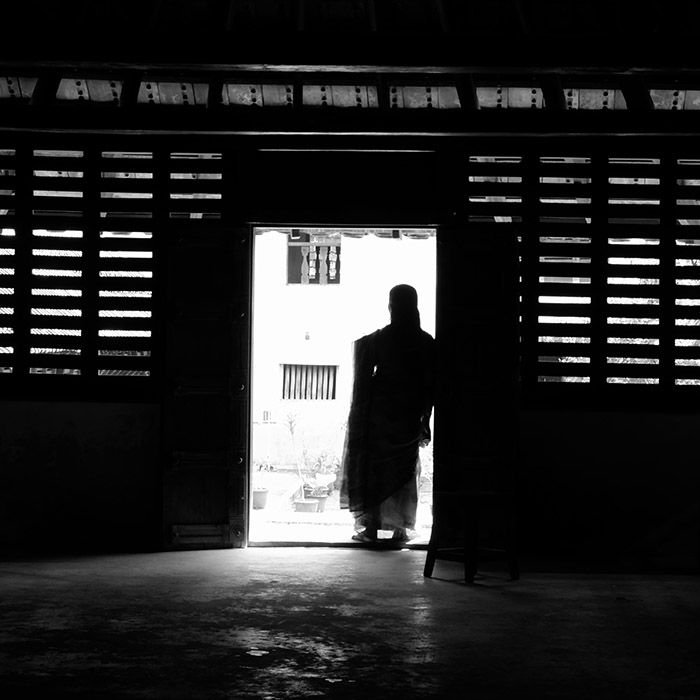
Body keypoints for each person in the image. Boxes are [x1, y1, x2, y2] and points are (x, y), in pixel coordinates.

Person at [340, 284, 436, 544]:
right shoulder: (426, 342)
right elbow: (431, 386)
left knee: (377, 473)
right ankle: (400, 528)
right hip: (408, 416)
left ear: (391, 306)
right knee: (404, 475)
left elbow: (364, 377)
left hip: (380, 417)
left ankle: (373, 527)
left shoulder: (379, 339)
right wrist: (424, 419)